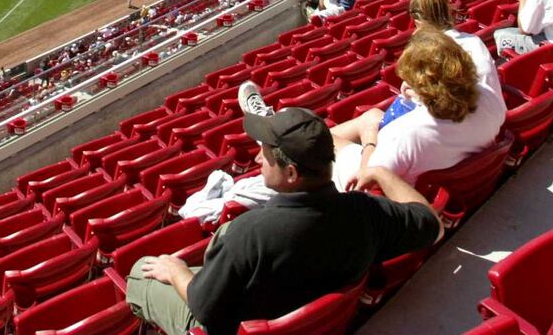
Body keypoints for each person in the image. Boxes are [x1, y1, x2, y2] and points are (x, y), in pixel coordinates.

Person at [126, 108, 440, 335]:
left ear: (291, 173)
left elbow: (205, 310)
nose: (257, 159)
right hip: (314, 317)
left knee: (141, 272)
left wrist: (178, 272)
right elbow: (432, 224)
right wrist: (383, 174)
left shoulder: (249, 234)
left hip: (244, 323)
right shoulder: (367, 211)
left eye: (265, 154)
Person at [325, 29, 506, 190]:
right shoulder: (490, 98)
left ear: (428, 88)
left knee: (324, 137)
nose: (404, 87)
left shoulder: (405, 135)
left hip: (395, 190)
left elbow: (367, 185)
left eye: (412, 81)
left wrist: (369, 140)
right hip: (454, 173)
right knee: (372, 117)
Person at [407, 0, 501, 99]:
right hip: (496, 110)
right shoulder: (474, 40)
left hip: (465, 113)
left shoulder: (427, 52)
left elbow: (435, 102)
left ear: (418, 21)